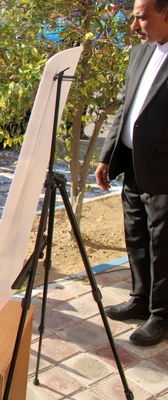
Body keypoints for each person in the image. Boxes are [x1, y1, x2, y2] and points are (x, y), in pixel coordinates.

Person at [95, 0, 168, 346]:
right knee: (136, 235)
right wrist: (107, 155)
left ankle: (162, 315)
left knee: (162, 245)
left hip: (164, 172)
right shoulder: (141, 52)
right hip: (133, 165)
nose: (134, 26)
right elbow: (126, 106)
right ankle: (140, 299)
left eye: (141, 17)